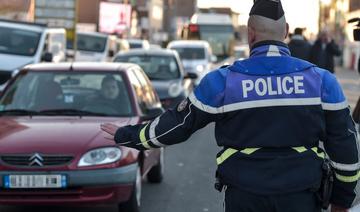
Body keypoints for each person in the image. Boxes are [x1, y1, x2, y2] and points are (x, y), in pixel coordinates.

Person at [101, 1, 359, 211]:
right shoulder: (323, 81)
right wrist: (341, 201)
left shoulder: (223, 81)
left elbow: (176, 126)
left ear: (250, 33)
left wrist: (128, 135)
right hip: (302, 197)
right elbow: (345, 151)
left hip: (244, 197)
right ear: (287, 31)